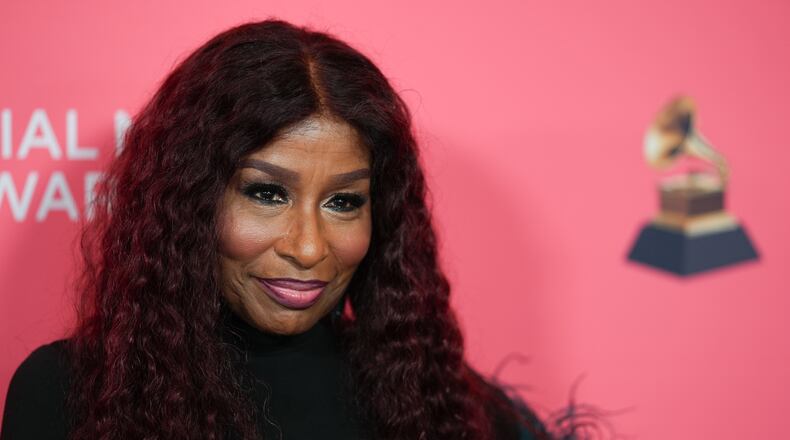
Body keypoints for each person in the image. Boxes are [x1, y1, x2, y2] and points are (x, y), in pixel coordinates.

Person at [0, 19, 549, 439]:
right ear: (190, 201)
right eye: (267, 194)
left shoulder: (443, 403)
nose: (308, 247)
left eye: (343, 202)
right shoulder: (65, 393)